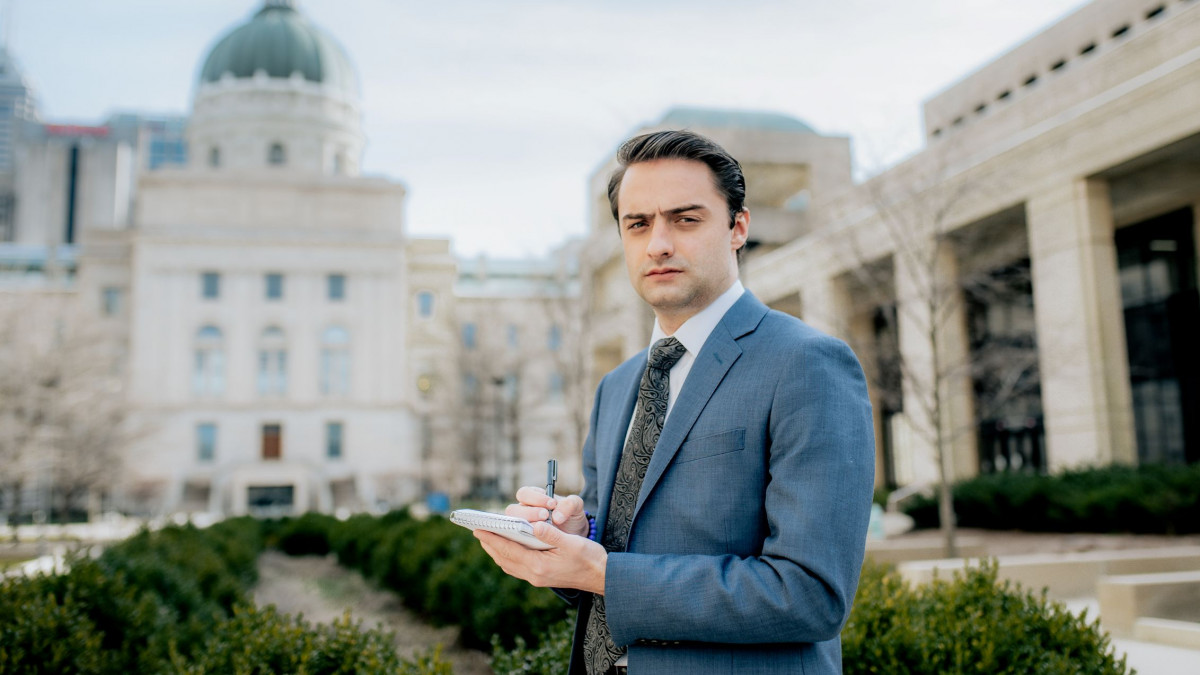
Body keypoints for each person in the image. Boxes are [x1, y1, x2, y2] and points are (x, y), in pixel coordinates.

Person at [473, 129, 875, 674]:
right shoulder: (616, 386)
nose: (658, 243)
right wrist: (571, 541)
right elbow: (614, 551)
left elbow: (809, 594)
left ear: (738, 228)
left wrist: (601, 573)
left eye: (685, 219)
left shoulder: (807, 365)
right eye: (637, 224)